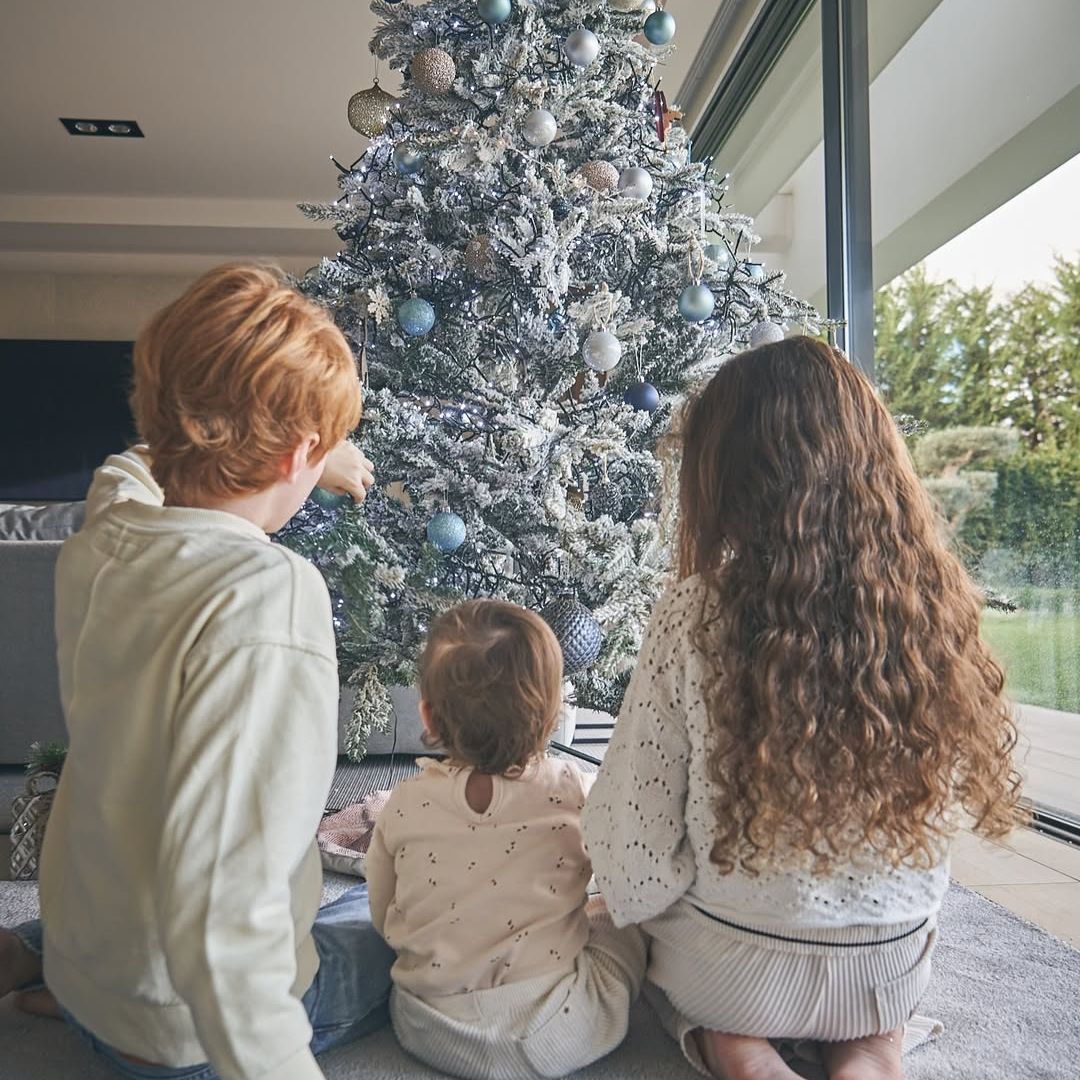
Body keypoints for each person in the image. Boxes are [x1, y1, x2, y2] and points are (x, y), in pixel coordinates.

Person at [581, 336, 1023, 1080]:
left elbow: (636, 856)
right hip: (884, 974)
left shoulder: (695, 612)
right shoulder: (936, 611)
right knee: (889, 974)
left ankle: (739, 1049)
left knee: (641, 941)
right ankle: (872, 1054)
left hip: (735, 972)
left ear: (725, 478)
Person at [0, 264, 393, 1080]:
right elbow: (226, 908)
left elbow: (129, 467)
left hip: (92, 972)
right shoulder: (268, 597)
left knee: (134, 855)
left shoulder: (109, 531)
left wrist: (304, 450)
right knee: (384, 925)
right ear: (299, 453)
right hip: (181, 1035)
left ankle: (34, 963)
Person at [364, 599, 646, 1080]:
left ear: (427, 716)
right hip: (555, 1032)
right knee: (624, 927)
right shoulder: (573, 790)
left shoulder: (404, 804)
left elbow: (380, 909)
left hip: (426, 1026)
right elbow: (626, 875)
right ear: (554, 712)